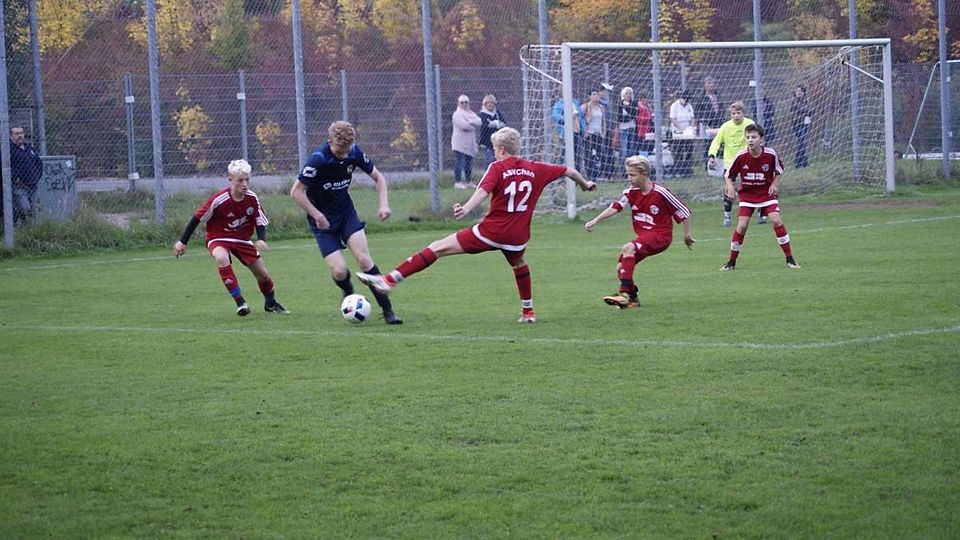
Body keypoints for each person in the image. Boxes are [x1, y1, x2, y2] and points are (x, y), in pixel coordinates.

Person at [357, 127, 597, 323]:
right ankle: (528, 312)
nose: (494, 153)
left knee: (438, 247)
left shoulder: (497, 167)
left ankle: (389, 280)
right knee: (519, 263)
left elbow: (483, 191)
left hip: (491, 232)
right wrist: (585, 184)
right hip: (517, 237)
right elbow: (569, 170)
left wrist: (467, 208)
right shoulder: (537, 168)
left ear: (501, 149)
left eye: (494, 149)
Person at [290, 120, 402, 325]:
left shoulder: (354, 152)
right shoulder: (318, 160)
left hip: (346, 215)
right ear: (330, 141)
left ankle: (388, 311)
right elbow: (296, 192)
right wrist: (317, 215)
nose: (344, 154)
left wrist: (384, 204)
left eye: (347, 150)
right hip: (322, 222)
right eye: (339, 150)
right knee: (339, 271)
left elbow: (379, 178)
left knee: (364, 260)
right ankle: (348, 290)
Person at [173, 159, 288, 317]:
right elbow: (197, 218)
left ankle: (271, 303)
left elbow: (259, 220)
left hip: (242, 239)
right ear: (230, 179)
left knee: (263, 275)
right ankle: (240, 303)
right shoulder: (219, 200)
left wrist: (261, 239)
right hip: (218, 237)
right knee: (222, 258)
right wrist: (182, 242)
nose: (244, 184)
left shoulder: (252, 198)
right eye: (240, 180)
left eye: (247, 180)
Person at [584, 155, 694, 309]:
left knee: (628, 247)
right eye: (628, 174)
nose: (629, 178)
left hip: (661, 236)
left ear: (645, 174)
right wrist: (596, 220)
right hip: (645, 236)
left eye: (633, 175)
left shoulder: (661, 192)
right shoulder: (631, 192)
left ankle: (623, 295)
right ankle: (633, 300)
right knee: (621, 268)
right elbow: (616, 207)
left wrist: (687, 235)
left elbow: (684, 211)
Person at [719, 123, 800, 271]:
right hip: (747, 196)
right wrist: (730, 187)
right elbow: (728, 175)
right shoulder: (741, 156)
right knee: (741, 226)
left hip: (766, 194)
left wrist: (774, 184)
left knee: (776, 220)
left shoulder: (770, 154)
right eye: (748, 137)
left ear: (761, 139)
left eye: (754, 137)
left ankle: (790, 259)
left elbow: (779, 170)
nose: (750, 140)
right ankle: (731, 262)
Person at [707, 101, 755, 226]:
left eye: (738, 113)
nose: (736, 116)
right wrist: (712, 156)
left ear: (743, 113)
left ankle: (761, 211)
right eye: (733, 113)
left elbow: (756, 140)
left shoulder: (749, 124)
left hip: (747, 161)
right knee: (729, 189)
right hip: (730, 163)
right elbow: (716, 142)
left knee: (754, 186)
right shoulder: (725, 127)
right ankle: (727, 216)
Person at [9, 126, 44, 224]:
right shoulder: (9, 150)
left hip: (33, 186)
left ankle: (29, 229)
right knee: (24, 208)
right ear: (11, 136)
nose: (20, 135)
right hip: (19, 186)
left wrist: (36, 177)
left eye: (21, 133)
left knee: (33, 210)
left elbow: (39, 164)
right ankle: (19, 225)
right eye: (16, 134)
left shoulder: (30, 148)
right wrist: (14, 178)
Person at [451, 94, 483, 189]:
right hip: (459, 143)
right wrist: (473, 124)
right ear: (458, 103)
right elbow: (464, 126)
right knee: (459, 162)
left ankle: (468, 181)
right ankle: (457, 182)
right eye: (462, 103)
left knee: (468, 163)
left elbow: (479, 122)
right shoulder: (457, 114)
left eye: (466, 102)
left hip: (470, 143)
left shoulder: (470, 113)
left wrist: (470, 121)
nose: (464, 104)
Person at [551, 95, 585, 170]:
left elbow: (581, 117)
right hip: (565, 133)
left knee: (577, 155)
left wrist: (583, 129)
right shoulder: (559, 104)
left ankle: (576, 172)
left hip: (577, 132)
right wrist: (568, 118)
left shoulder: (575, 103)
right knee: (564, 154)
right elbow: (555, 116)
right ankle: (562, 172)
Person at [668, 91, 696, 176]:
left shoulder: (689, 106)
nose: (686, 102)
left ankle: (688, 170)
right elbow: (673, 119)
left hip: (688, 133)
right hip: (678, 132)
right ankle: (678, 170)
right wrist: (681, 129)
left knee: (689, 150)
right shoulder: (674, 106)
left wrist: (691, 127)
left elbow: (692, 118)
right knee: (678, 151)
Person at [581, 90, 607, 180]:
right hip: (589, 134)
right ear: (590, 96)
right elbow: (582, 119)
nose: (596, 96)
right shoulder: (585, 107)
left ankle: (600, 174)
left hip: (598, 134)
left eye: (597, 94)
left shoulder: (601, 107)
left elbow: (603, 120)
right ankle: (589, 175)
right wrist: (585, 131)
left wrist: (604, 132)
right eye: (594, 94)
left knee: (602, 154)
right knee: (589, 155)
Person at [478, 94, 507, 167]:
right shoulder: (483, 114)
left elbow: (503, 124)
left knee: (498, 160)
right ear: (485, 104)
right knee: (489, 161)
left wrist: (495, 123)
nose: (490, 104)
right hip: (487, 142)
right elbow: (485, 125)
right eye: (488, 103)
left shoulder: (497, 113)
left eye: (492, 102)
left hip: (498, 141)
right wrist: (496, 123)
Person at [613, 86, 637, 167]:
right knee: (623, 150)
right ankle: (622, 169)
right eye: (626, 93)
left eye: (630, 93)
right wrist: (625, 107)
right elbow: (619, 118)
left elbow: (633, 115)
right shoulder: (620, 104)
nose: (628, 95)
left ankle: (631, 168)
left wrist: (627, 107)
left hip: (631, 128)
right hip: (623, 129)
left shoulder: (634, 103)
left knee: (631, 150)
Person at [790, 84, 813, 168]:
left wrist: (808, 111)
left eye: (800, 91)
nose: (798, 92)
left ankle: (799, 162)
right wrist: (807, 110)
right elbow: (802, 109)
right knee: (802, 142)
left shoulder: (806, 101)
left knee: (802, 143)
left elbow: (810, 110)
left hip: (805, 123)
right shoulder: (794, 101)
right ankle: (802, 162)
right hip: (797, 124)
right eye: (797, 91)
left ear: (803, 92)